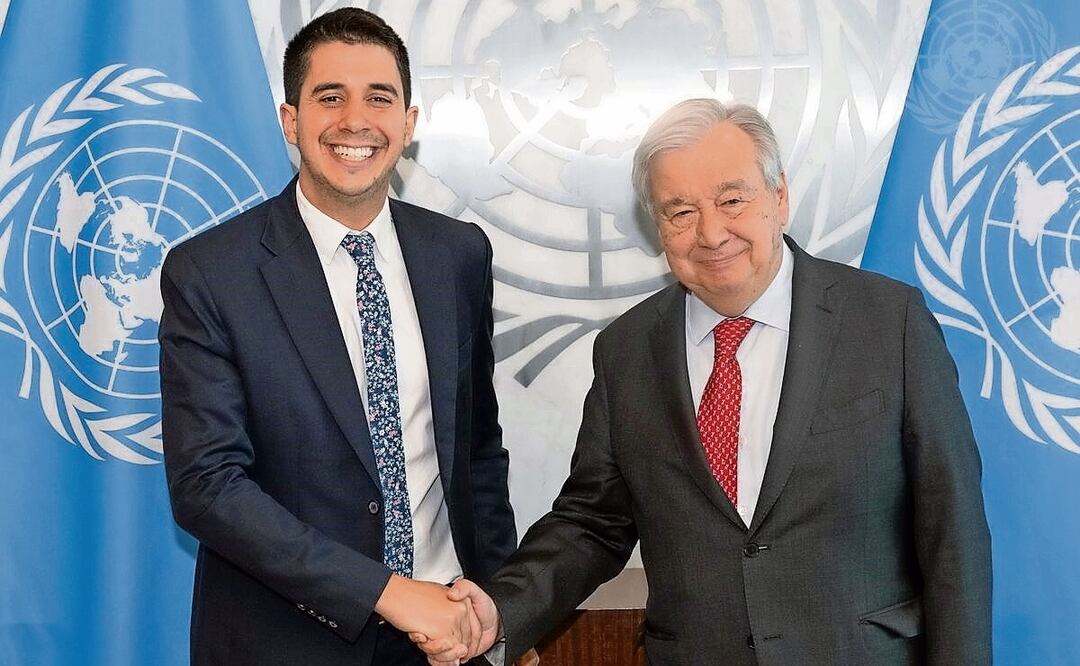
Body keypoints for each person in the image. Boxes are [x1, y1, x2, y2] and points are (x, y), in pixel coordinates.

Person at [416, 98, 992, 665]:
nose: (711, 233)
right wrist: (499, 609)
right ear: (658, 226)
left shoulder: (889, 322)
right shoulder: (627, 351)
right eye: (680, 211)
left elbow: (952, 532)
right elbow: (592, 522)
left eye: (732, 200)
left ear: (780, 196)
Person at [159, 8, 516, 664]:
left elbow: (477, 453)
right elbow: (208, 485)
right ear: (290, 120)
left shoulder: (459, 255)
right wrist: (386, 591)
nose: (356, 120)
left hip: (448, 637)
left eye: (379, 98)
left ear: (409, 124)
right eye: (331, 97)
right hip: (286, 641)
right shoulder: (211, 273)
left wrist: (506, 609)